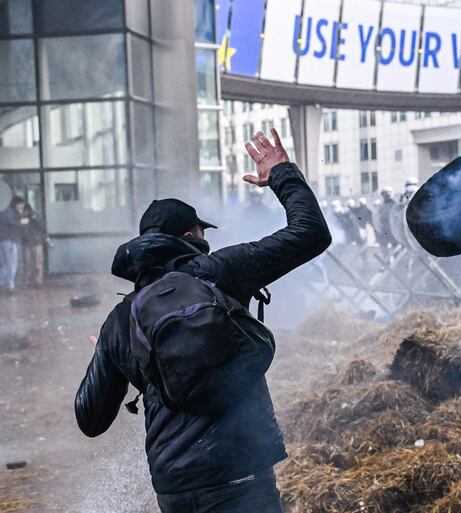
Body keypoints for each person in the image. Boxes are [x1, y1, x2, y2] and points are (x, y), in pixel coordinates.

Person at [74, 129, 331, 513]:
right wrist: (281, 173)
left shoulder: (121, 320)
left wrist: (111, 358)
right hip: (241, 473)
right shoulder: (221, 270)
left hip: (176, 489)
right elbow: (311, 233)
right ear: (189, 235)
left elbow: (90, 419)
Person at [0, 197, 26, 293]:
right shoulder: (10, 213)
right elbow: (13, 224)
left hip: (7, 240)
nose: (22, 206)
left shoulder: (7, 212)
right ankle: (9, 284)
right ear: (16, 204)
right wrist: (21, 221)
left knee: (8, 263)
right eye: (21, 204)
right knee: (11, 263)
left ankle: (5, 282)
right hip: (9, 240)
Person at [20, 202, 46, 288]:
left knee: (36, 263)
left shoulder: (35, 216)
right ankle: (29, 281)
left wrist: (34, 218)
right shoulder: (22, 218)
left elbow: (42, 226)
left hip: (35, 242)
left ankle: (38, 281)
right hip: (28, 243)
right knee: (28, 263)